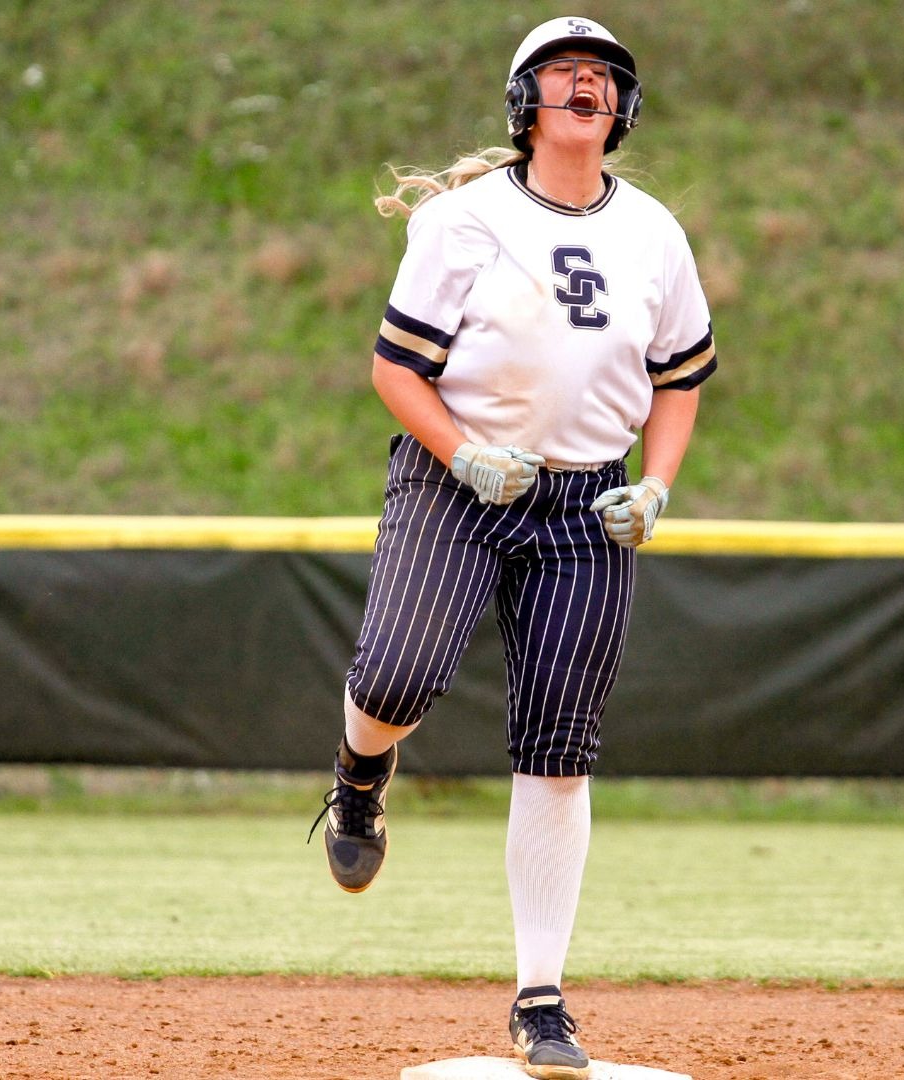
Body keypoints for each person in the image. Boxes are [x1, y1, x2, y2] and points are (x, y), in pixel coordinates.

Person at [308, 15, 715, 1079]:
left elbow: (680, 379)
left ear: (623, 110)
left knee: (558, 749)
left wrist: (656, 487)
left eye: (603, 76)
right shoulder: (466, 221)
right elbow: (396, 371)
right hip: (461, 482)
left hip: (586, 506)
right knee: (396, 674)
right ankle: (359, 775)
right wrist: (465, 451)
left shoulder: (654, 232)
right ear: (524, 102)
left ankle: (541, 1000)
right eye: (562, 73)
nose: (584, 86)